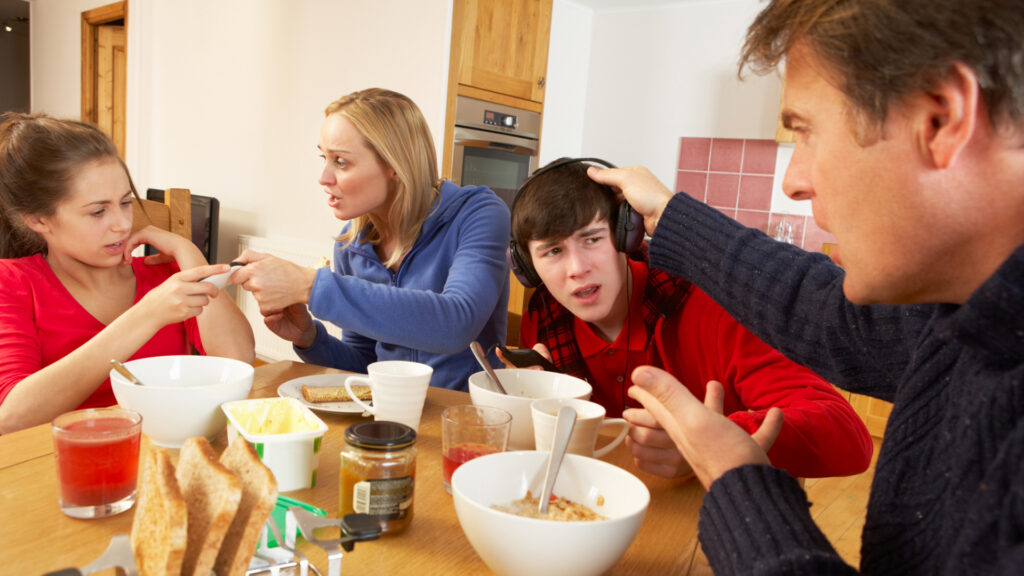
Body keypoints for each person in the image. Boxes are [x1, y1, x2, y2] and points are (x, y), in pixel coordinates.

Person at [588, 0, 1024, 573]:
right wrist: (671, 218)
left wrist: (738, 484)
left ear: (942, 120)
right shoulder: (966, 319)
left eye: (806, 131)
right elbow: (830, 315)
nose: (793, 181)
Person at [508, 157, 871, 479]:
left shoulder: (716, 305)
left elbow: (848, 438)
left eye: (591, 239)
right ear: (527, 266)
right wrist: (533, 403)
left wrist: (711, 441)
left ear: (627, 235)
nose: (577, 269)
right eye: (553, 251)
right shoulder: (545, 316)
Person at [232, 88, 510, 391]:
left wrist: (308, 285)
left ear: (394, 164)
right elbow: (364, 365)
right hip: (391, 420)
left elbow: (457, 323)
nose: (323, 177)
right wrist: (309, 337)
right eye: (324, 157)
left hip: (468, 419)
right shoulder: (350, 245)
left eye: (340, 161)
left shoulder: (478, 214)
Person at [0, 113, 254, 434]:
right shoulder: (12, 282)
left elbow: (237, 359)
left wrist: (189, 253)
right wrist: (147, 315)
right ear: (38, 220)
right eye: (97, 211)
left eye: (125, 202)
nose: (121, 223)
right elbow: (10, 418)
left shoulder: (165, 275)